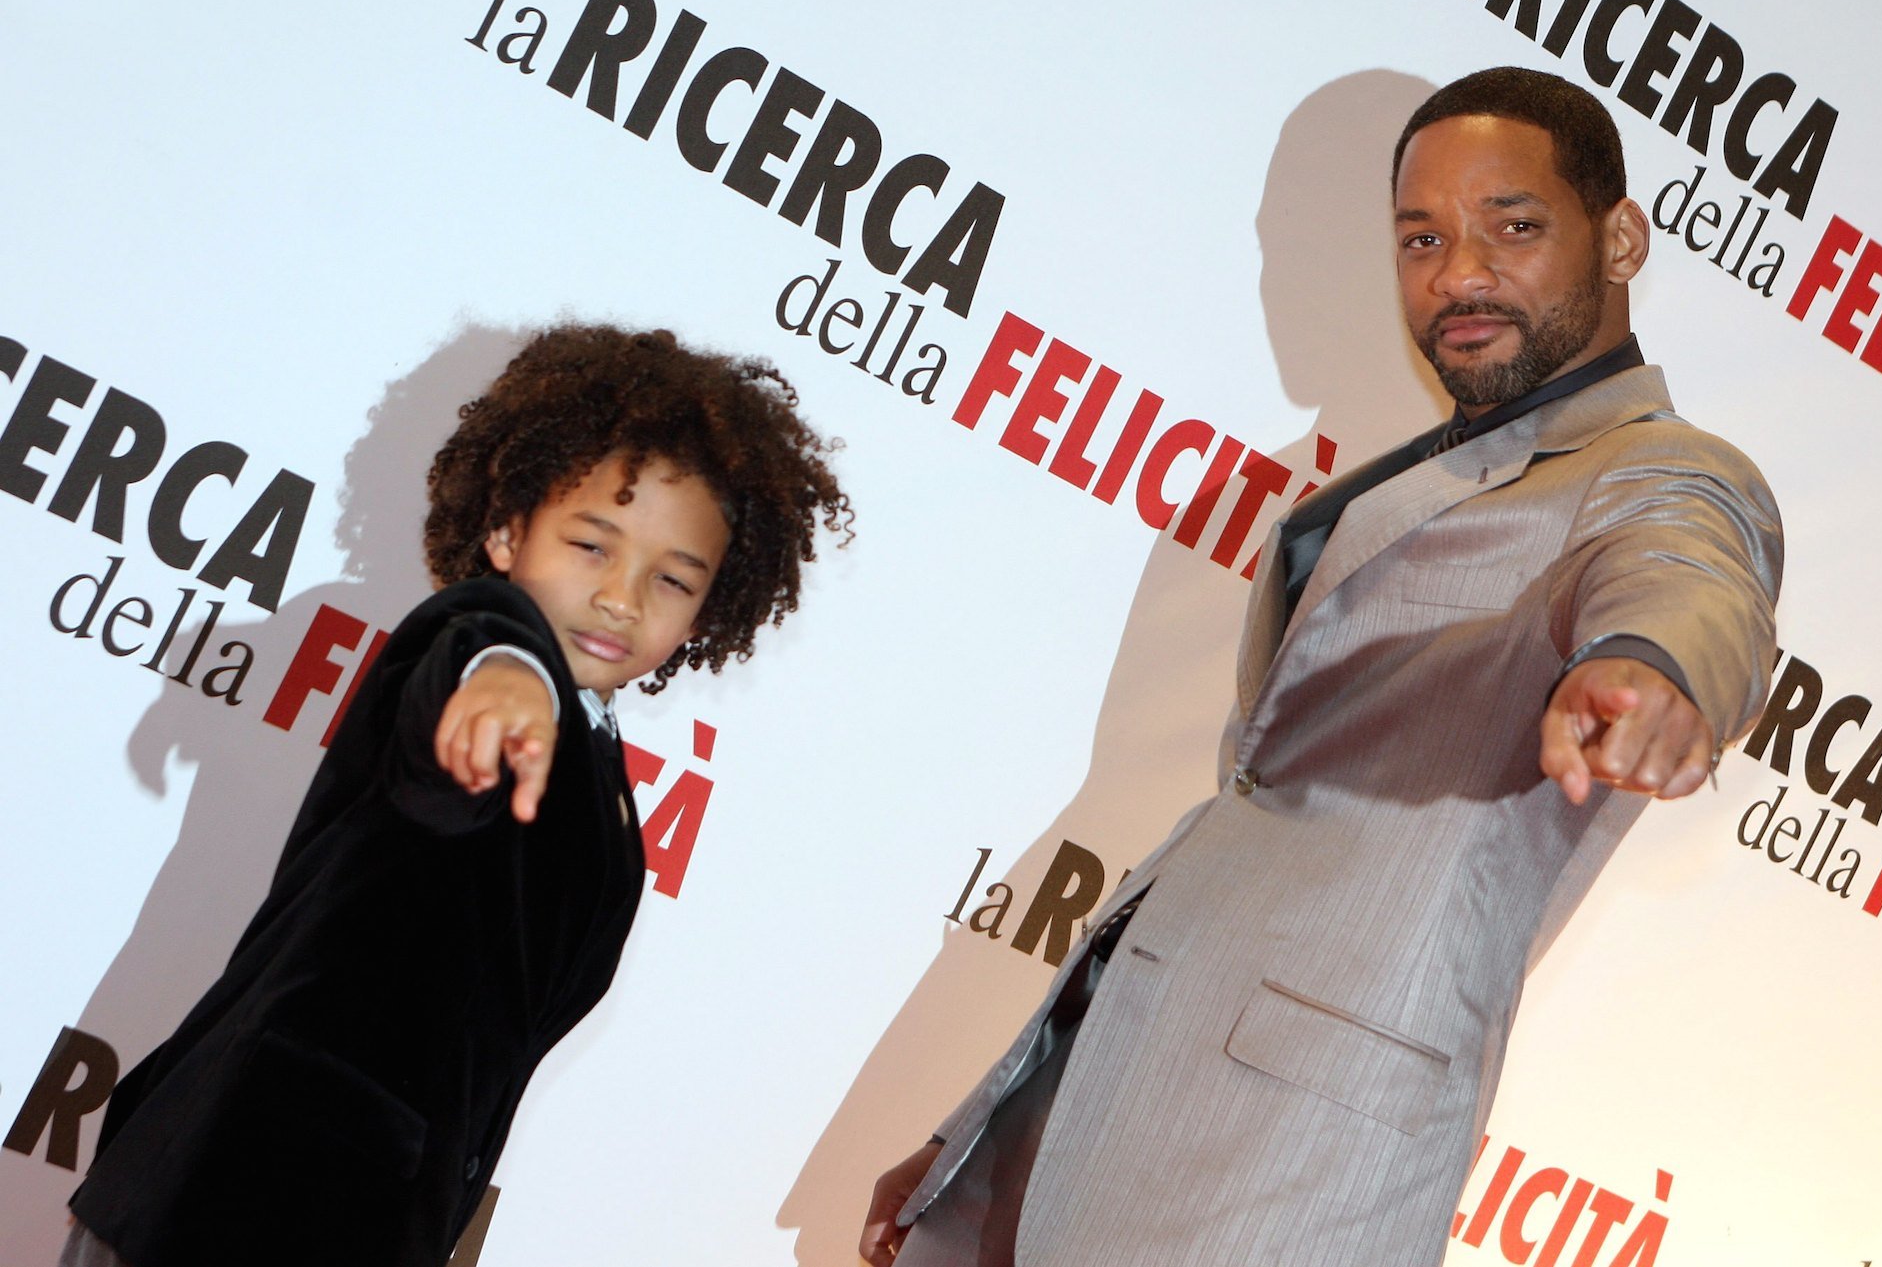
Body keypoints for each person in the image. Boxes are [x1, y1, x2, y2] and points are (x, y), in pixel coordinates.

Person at [862, 66, 1783, 1266]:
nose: (1459, 273)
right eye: (1423, 237)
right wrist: (999, 1136)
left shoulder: (1655, 468)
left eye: (1514, 225)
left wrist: (1656, 668)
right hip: (1127, 1111)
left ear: (1619, 238)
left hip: (1288, 1179)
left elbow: (1691, 569)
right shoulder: (1409, 476)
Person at [64, 325, 850, 1267]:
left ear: (712, 604)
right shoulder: (474, 647)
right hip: (229, 1200)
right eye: (592, 545)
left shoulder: (601, 770)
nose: (622, 597)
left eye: (673, 578)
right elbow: (472, 646)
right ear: (507, 528)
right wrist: (507, 671)